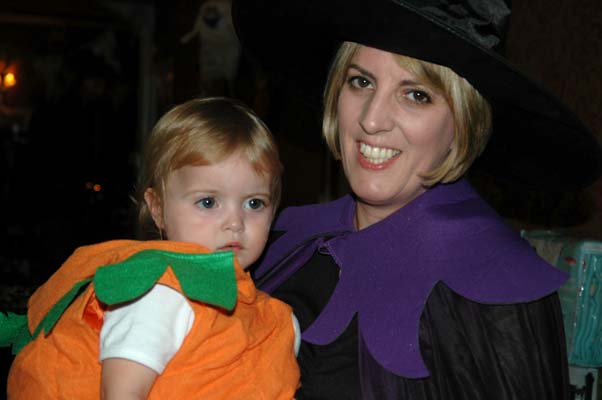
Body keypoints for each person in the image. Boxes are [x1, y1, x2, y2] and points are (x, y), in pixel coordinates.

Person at [232, 0, 602, 399]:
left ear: (462, 124)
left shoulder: (499, 289)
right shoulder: (275, 236)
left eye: (416, 95)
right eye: (361, 82)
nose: (371, 119)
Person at [2, 97, 300, 399]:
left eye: (254, 203)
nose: (235, 222)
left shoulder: (269, 317)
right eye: (208, 202)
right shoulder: (158, 294)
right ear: (157, 209)